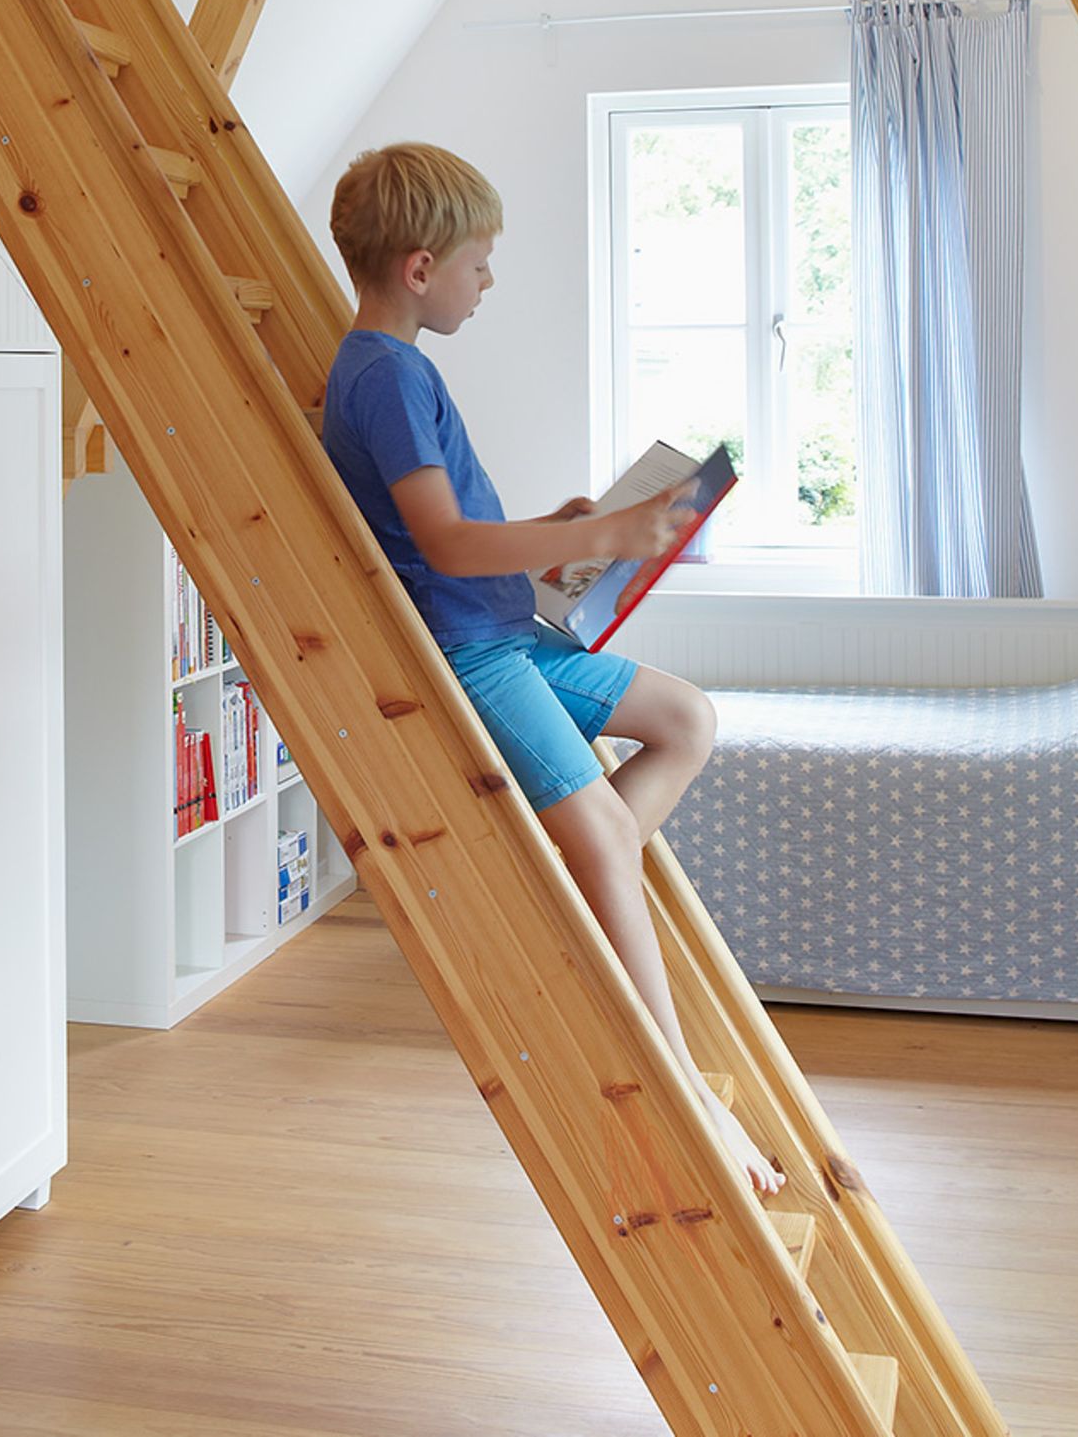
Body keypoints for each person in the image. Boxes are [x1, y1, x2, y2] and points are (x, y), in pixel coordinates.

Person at [322, 142, 782, 1197]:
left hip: (509, 629)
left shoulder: (393, 368)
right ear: (421, 268)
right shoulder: (384, 375)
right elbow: (442, 543)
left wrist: (557, 534)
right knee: (608, 832)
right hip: (473, 653)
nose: (488, 281)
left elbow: (440, 533)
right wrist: (604, 531)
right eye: (479, 262)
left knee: (686, 720)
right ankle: (681, 1085)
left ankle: (572, 883)